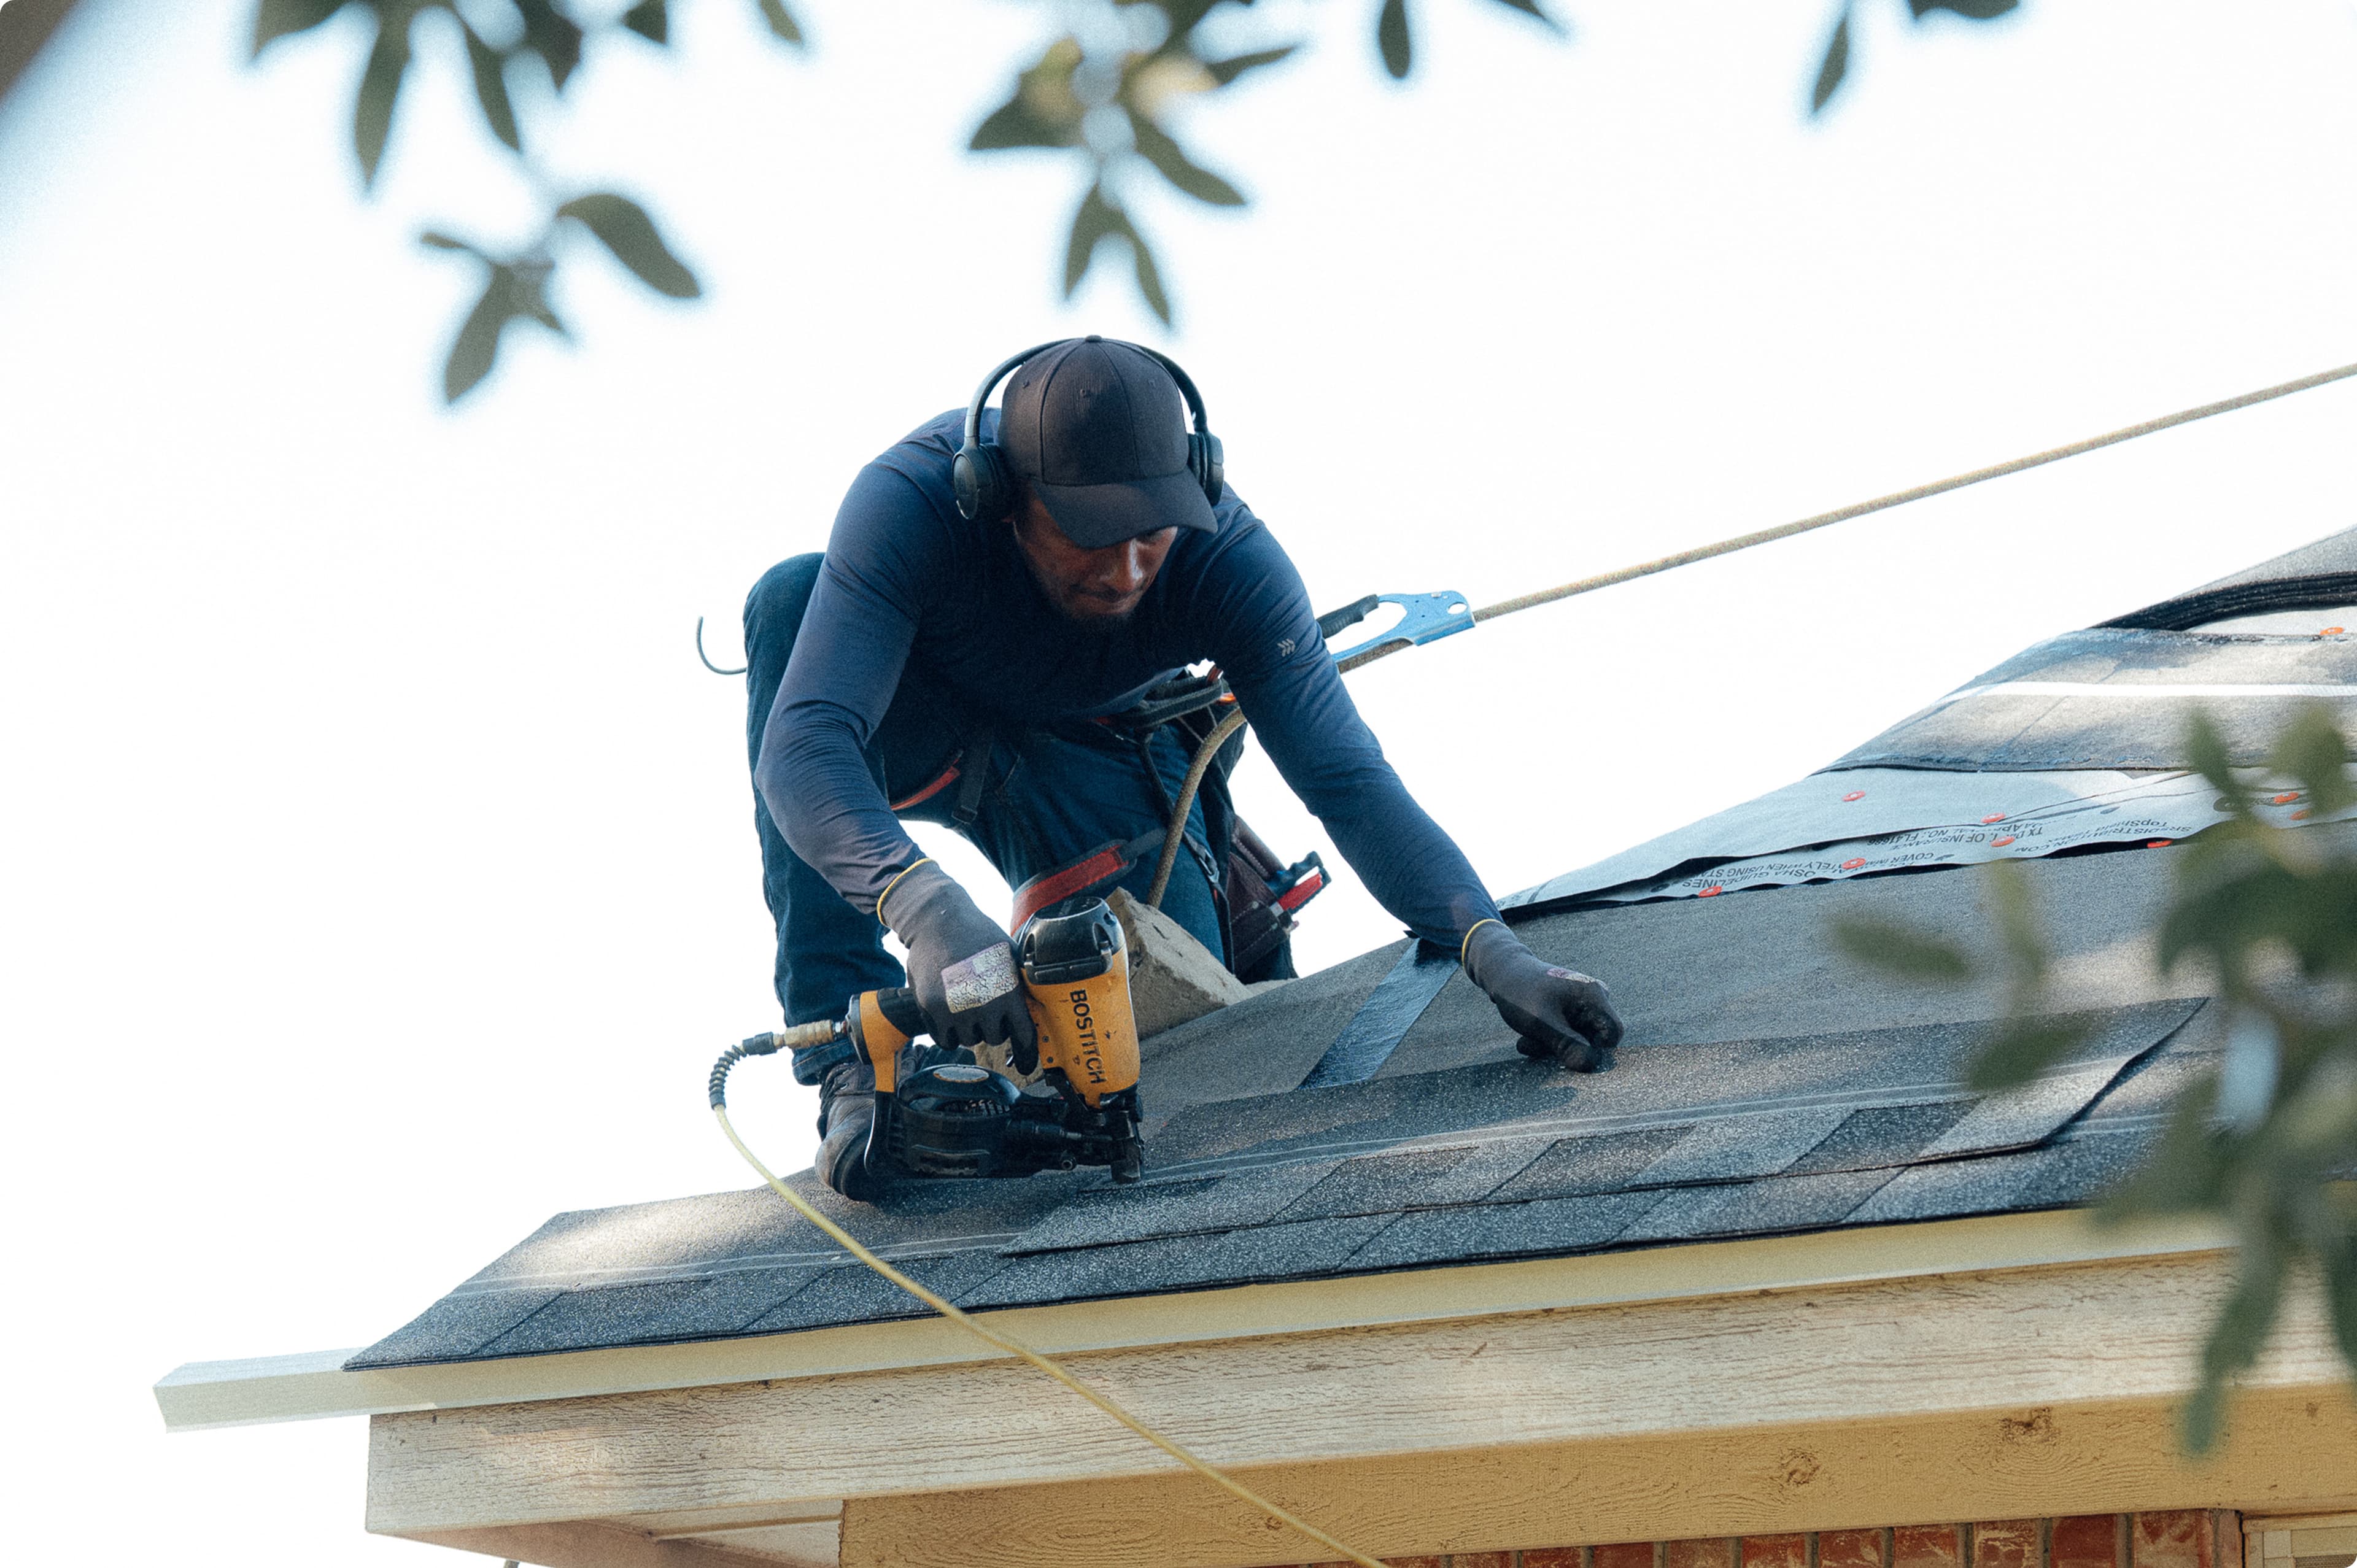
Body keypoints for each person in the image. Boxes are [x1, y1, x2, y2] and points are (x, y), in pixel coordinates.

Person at [744, 336, 1622, 1196]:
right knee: (788, 600)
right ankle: (852, 1072)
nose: (1128, 571)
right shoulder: (915, 501)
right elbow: (805, 748)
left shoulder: (1229, 560)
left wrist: (1491, 947)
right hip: (923, 724)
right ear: (1002, 498)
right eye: (1091, 536)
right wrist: (924, 907)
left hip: (1112, 759)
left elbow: (1349, 779)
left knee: (1170, 1064)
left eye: (1151, 535)